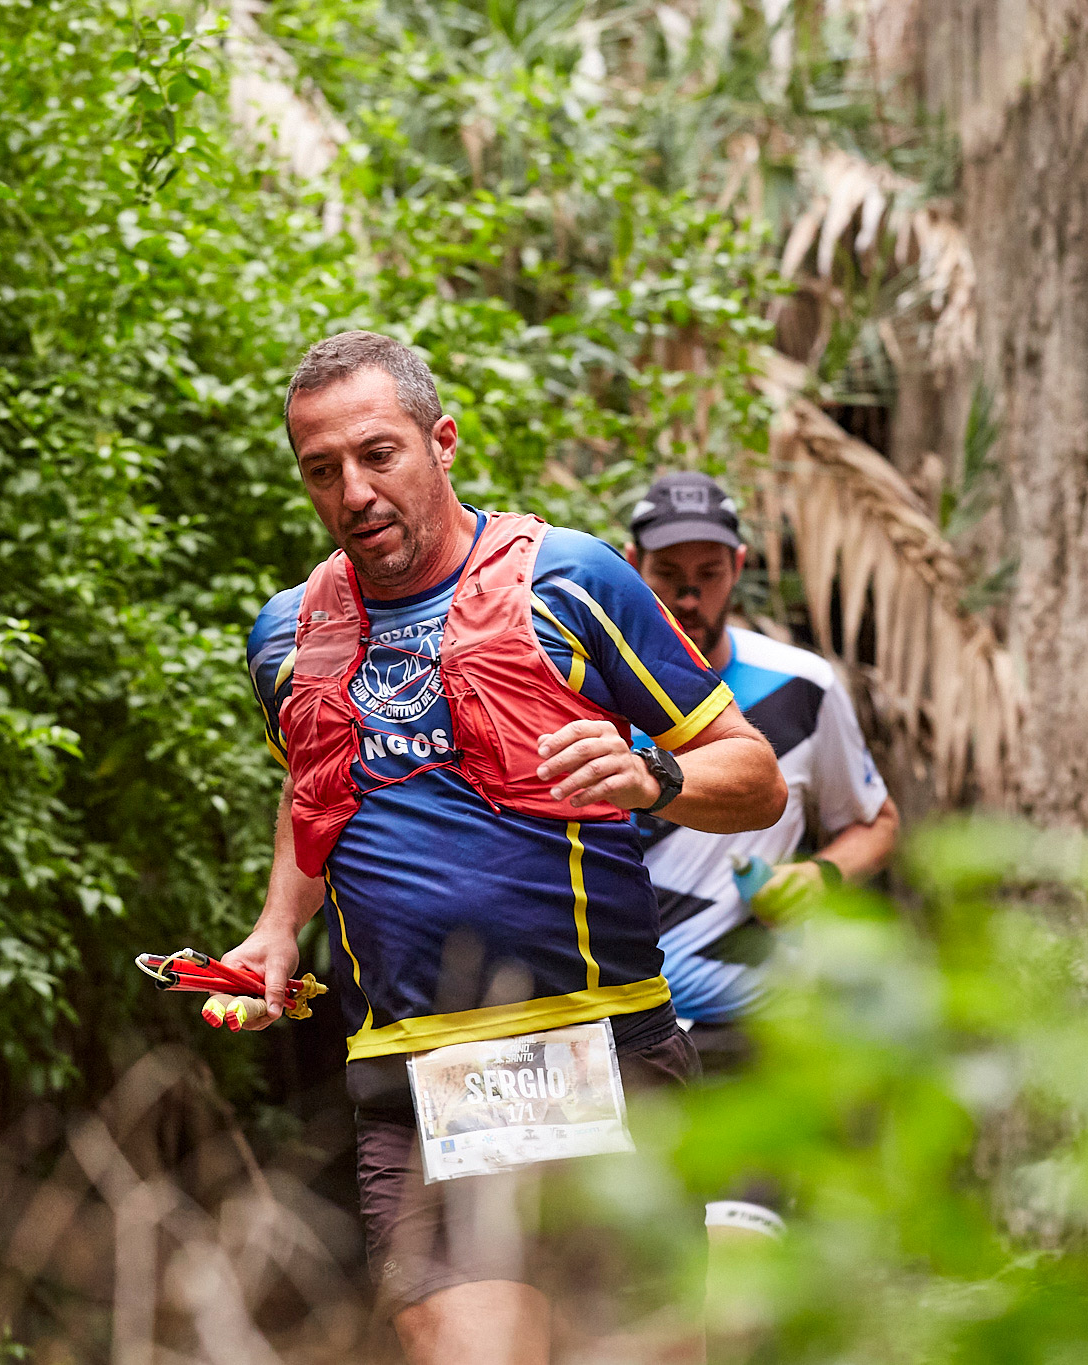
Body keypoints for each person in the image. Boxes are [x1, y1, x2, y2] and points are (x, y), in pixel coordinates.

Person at [219, 332, 786, 1365]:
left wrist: (655, 777)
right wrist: (272, 933)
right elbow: (315, 794)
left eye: (377, 454)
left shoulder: (572, 582)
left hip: (604, 1053)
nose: (352, 491)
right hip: (415, 1077)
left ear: (440, 442)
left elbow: (753, 778)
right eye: (321, 470)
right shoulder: (283, 640)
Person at [624, 471, 899, 1243]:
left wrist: (821, 874)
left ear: (738, 568)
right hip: (628, 1037)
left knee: (740, 1258)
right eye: (667, 576)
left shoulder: (802, 689)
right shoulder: (597, 699)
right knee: (648, 1283)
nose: (688, 597)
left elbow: (875, 820)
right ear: (629, 564)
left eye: (707, 576)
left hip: (760, 1032)